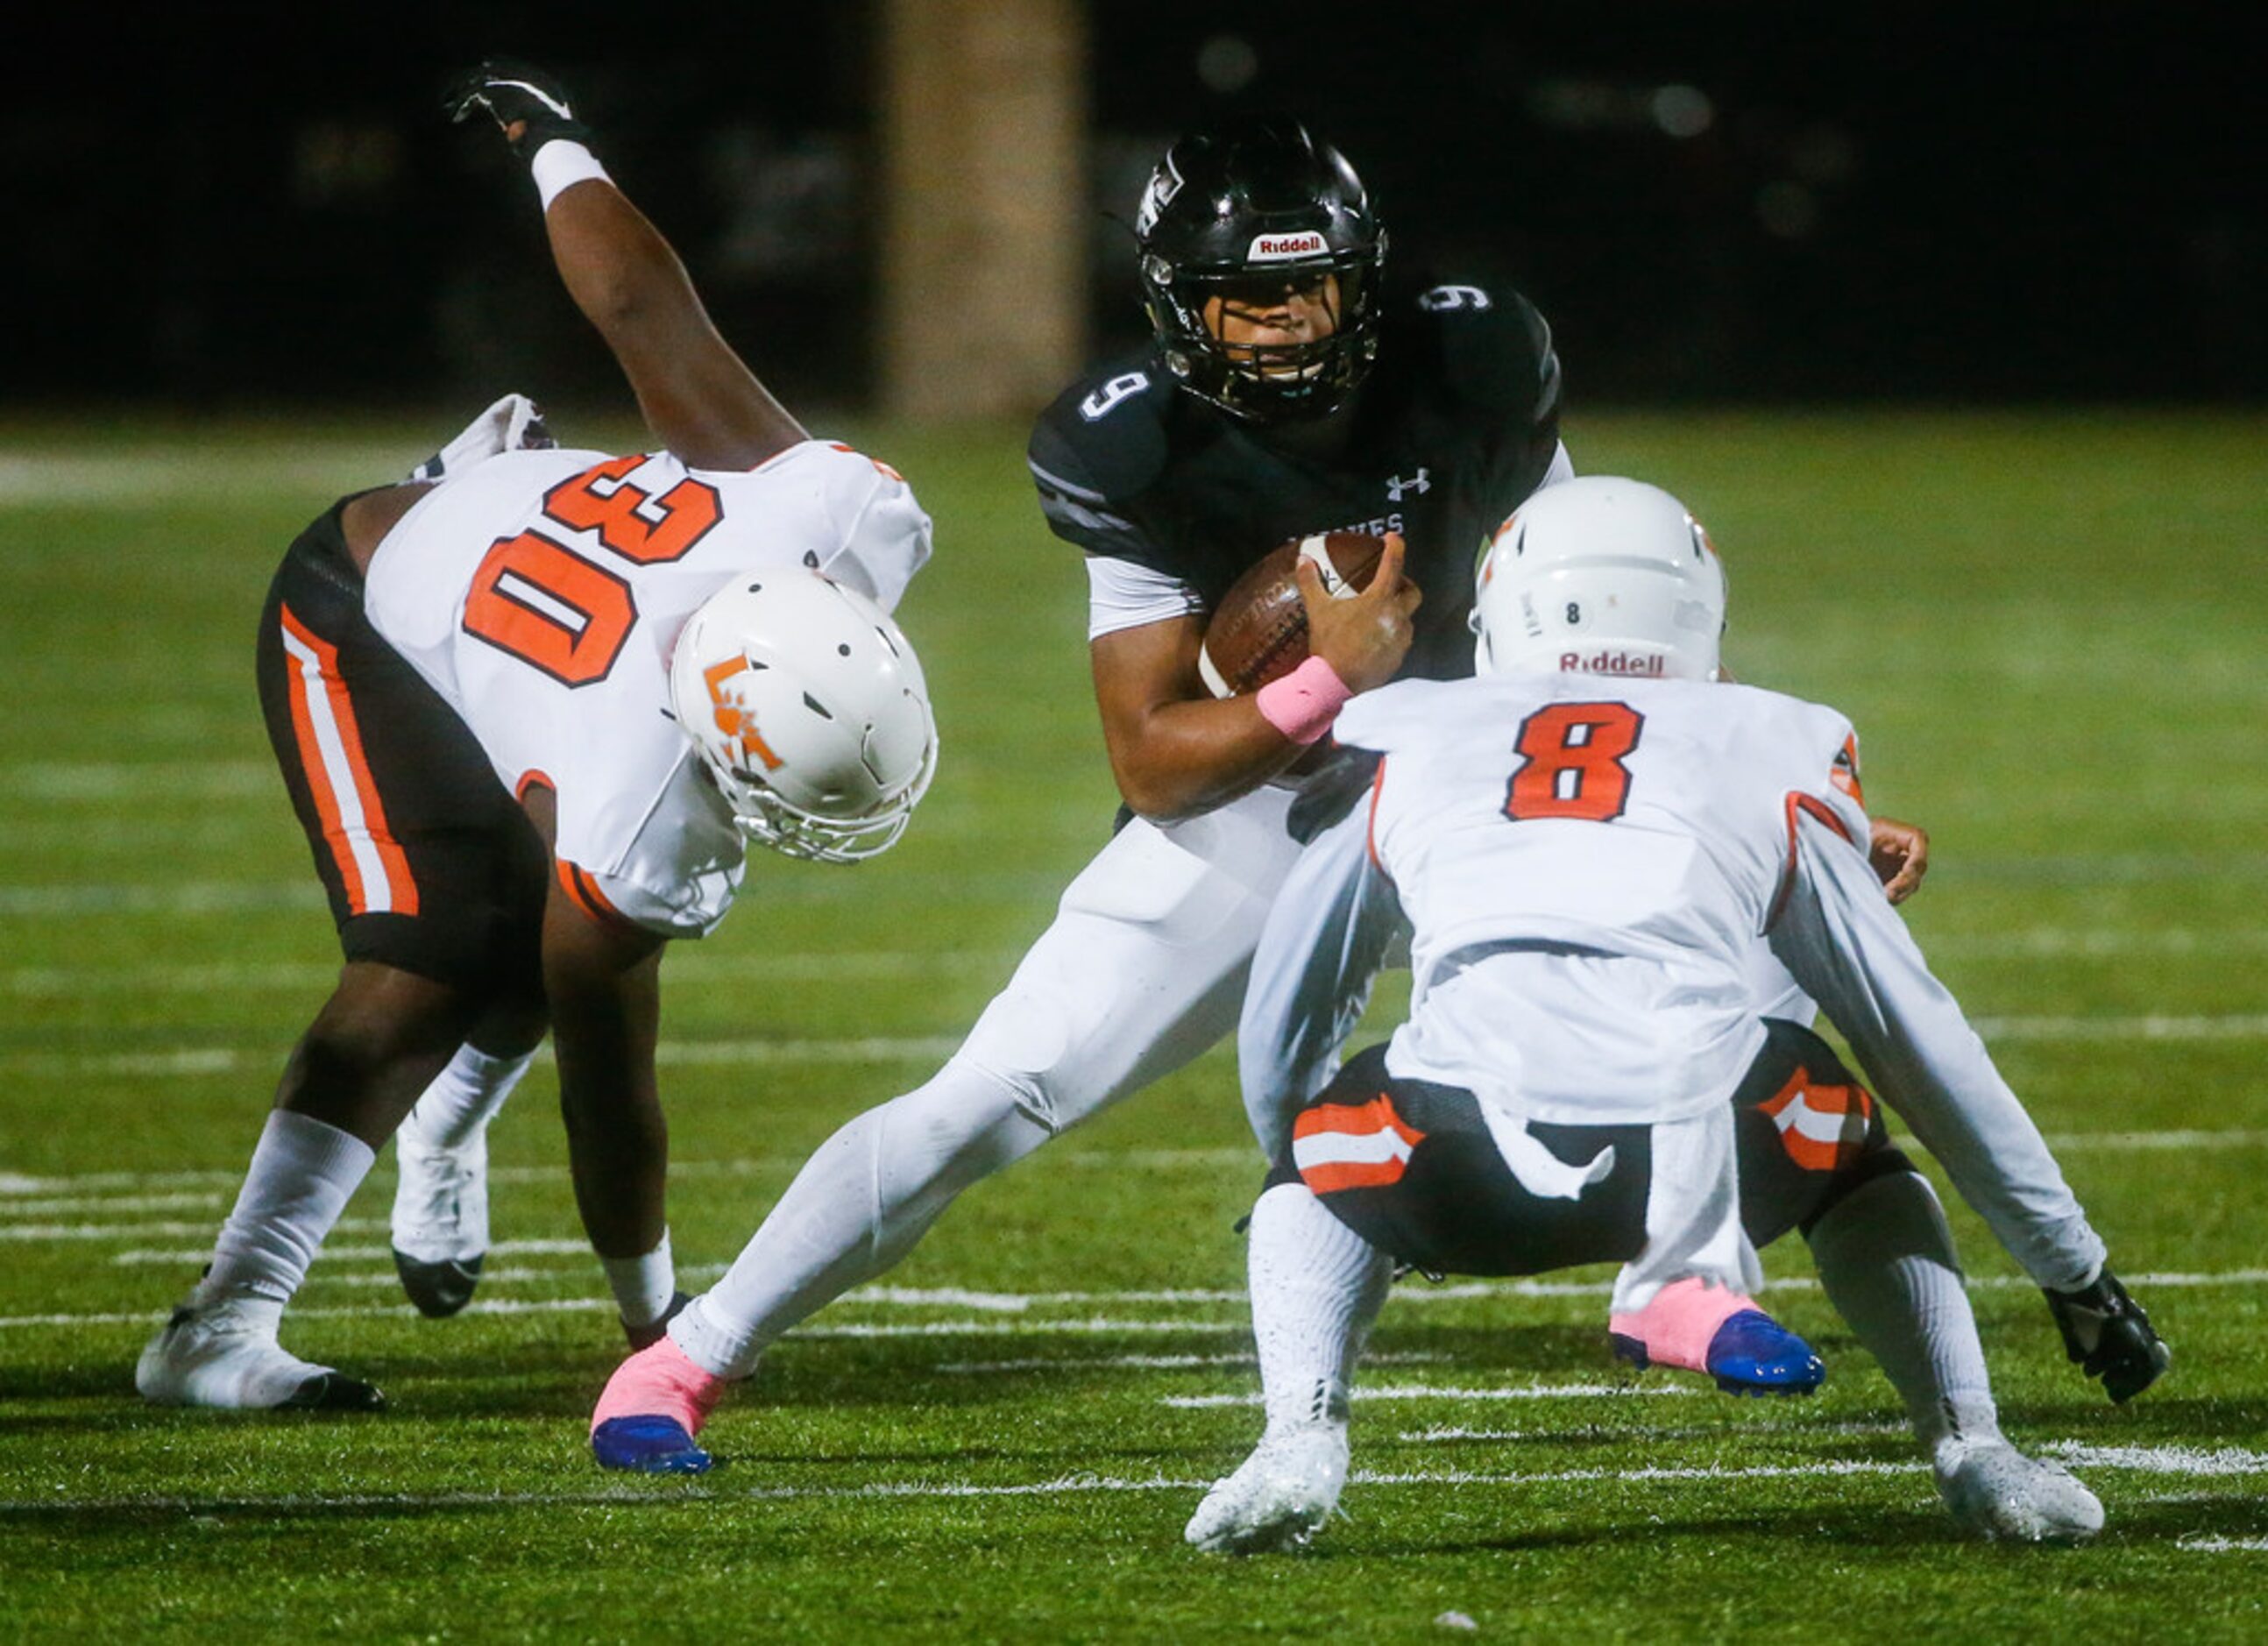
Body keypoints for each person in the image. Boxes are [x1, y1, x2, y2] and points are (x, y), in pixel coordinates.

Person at [583, 119, 1928, 1471]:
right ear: (1179, 299)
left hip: (1487, 787)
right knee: (1004, 1084)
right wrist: (1320, 683)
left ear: (1366, 280)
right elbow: (1154, 760)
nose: (1279, 328)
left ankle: (1680, 1284)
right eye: (1242, 296)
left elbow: (1619, 616)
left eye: (1305, 291)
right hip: (1271, 804)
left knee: (1771, 922)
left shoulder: (1475, 361)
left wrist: (1795, 806)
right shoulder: (1134, 449)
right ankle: (688, 1354)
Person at [134, 61, 939, 1412]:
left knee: (531, 929)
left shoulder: (842, 521)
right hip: (361, 609)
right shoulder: (639, 795)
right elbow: (609, 1091)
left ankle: (444, 1129)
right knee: (433, 958)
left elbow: (644, 311)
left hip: (521, 559)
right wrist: (661, 1324)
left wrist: (554, 140)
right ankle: (215, 1327)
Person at [1184, 477, 2170, 1552]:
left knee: (1320, 1144)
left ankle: (1299, 1440)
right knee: (1844, 1129)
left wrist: (1299, 1165)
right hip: (1730, 1159)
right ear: (1695, 611)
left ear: (1499, 610)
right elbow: (1915, 1037)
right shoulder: (1774, 741)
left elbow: (1293, 996)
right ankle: (1972, 1447)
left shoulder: (1401, 734)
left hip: (1451, 1169)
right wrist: (2073, 1275)